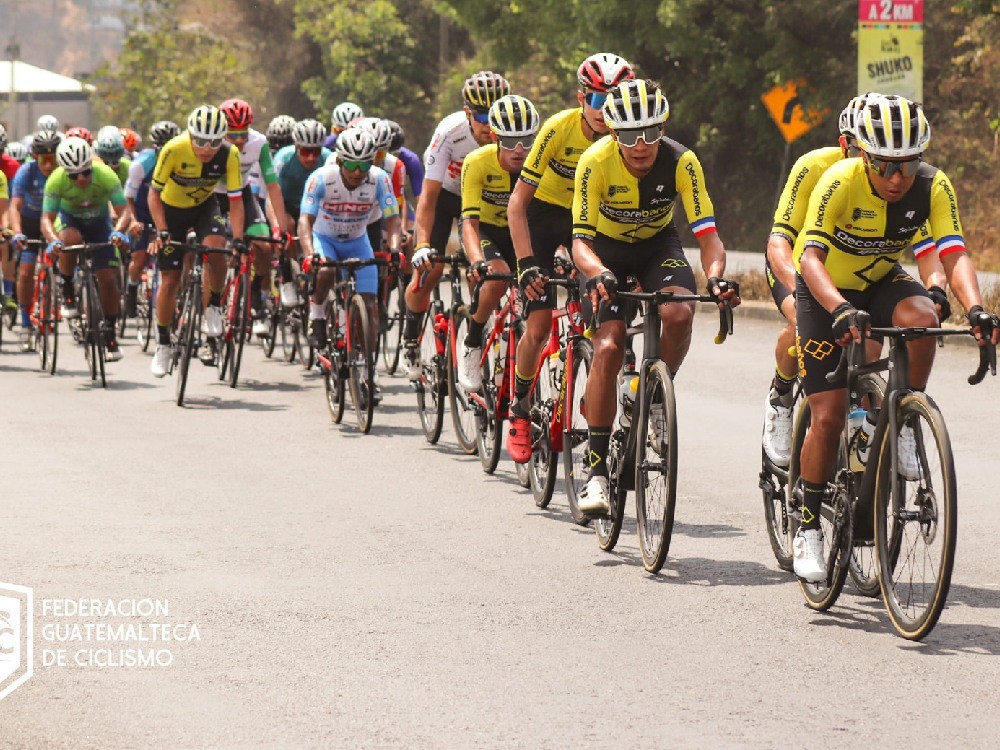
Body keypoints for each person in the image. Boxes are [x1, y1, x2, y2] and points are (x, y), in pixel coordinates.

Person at [791, 94, 1000, 581]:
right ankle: (808, 526)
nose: (896, 177)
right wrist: (838, 308)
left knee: (923, 317)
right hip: (824, 290)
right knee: (829, 416)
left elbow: (953, 252)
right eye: (884, 164)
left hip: (880, 279)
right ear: (864, 155)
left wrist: (976, 308)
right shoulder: (838, 180)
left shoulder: (933, 185)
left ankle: (903, 417)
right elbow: (809, 258)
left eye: (907, 163)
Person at [569, 79, 739, 515]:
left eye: (650, 132)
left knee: (680, 312)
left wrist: (716, 278)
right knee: (609, 346)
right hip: (605, 252)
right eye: (629, 136)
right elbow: (580, 244)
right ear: (612, 133)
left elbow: (708, 236)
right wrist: (598, 273)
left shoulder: (682, 161)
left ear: (663, 127)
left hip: (656, 247)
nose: (641, 145)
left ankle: (655, 397)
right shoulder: (594, 162)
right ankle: (596, 474)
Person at [761, 93, 950, 468]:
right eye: (857, 146)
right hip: (797, 265)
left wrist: (935, 289)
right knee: (802, 322)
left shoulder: (896, 184)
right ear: (845, 143)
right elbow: (779, 240)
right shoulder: (816, 168)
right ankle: (781, 395)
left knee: (867, 349)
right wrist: (805, 292)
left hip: (859, 275)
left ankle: (868, 432)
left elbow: (927, 246)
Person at [505, 52, 634, 463]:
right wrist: (526, 265)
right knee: (540, 323)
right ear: (581, 99)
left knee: (604, 318)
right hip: (545, 217)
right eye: (597, 99)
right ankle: (520, 405)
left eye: (614, 101)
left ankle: (593, 381)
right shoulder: (558, 129)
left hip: (591, 223)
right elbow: (516, 204)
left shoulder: (628, 139)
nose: (604, 110)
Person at [404, 70, 510, 379]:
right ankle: (411, 336)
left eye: (495, 115)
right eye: (482, 117)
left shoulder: (512, 132)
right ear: (467, 113)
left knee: (485, 274)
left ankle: (477, 329)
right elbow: (428, 198)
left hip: (482, 203)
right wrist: (422, 245)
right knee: (430, 271)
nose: (490, 125)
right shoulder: (450, 133)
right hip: (447, 197)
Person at [298, 127, 401, 401]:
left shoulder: (379, 179)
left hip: (357, 240)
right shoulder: (320, 178)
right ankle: (317, 315)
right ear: (340, 160)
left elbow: (393, 220)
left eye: (364, 165)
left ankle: (368, 372)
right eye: (352, 165)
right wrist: (309, 253)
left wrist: (394, 250)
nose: (357, 172)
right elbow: (305, 221)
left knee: (370, 308)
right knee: (326, 270)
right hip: (325, 238)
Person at [146, 105, 245, 377]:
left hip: (204, 209)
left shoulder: (230, 154)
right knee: (170, 280)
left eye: (214, 142)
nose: (206, 148)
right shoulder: (173, 149)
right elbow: (153, 194)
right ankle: (163, 343)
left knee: (217, 250)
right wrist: (162, 229)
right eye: (200, 141)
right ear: (190, 135)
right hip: (171, 213)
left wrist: (237, 238)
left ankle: (213, 307)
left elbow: (236, 201)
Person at [458, 94, 540, 391]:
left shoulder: (539, 162)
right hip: (487, 231)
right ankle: (472, 341)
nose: (519, 150)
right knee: (496, 279)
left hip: (522, 232)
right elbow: (469, 222)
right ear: (494, 137)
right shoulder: (476, 162)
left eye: (527, 141)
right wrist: (477, 261)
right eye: (510, 141)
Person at [42, 136, 132, 360]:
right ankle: (67, 286)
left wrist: (119, 231)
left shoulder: (105, 174)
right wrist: (53, 240)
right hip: (70, 221)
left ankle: (110, 331)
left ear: (91, 166)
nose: (81, 179)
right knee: (70, 239)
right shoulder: (55, 180)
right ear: (65, 172)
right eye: (74, 176)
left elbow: (124, 211)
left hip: (100, 224)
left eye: (85, 172)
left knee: (108, 279)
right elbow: (47, 218)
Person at [216, 98, 290, 336]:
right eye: (232, 135)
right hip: (211, 194)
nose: (239, 141)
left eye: (243, 134)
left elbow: (273, 187)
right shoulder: (211, 142)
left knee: (265, 246)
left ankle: (257, 297)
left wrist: (282, 229)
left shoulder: (259, 143)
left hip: (242, 194)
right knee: (211, 248)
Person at [10, 130, 61, 348]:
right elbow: (15, 206)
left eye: (53, 159)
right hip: (30, 224)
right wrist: (17, 232)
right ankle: (25, 323)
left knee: (53, 268)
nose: (48, 165)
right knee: (25, 271)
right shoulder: (26, 172)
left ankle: (48, 312)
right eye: (43, 159)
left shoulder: (63, 173)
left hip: (55, 222)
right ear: (34, 157)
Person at [273, 119, 331, 307]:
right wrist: (278, 227)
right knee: (287, 227)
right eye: (306, 151)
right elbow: (271, 196)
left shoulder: (329, 159)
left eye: (316, 151)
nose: (311, 158)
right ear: (296, 147)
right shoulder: (283, 158)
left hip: (315, 209)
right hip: (287, 206)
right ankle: (288, 279)